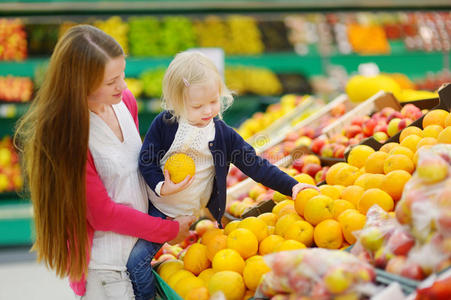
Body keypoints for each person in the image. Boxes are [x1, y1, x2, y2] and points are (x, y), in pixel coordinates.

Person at [14, 24, 194, 300]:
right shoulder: (68, 134)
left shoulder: (125, 103)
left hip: (143, 256)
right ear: (80, 83)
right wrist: (168, 230)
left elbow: (135, 168)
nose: (121, 86)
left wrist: (164, 187)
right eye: (111, 82)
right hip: (107, 272)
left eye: (121, 75)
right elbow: (102, 213)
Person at [136, 51, 319, 296]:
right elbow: (146, 160)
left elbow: (255, 164)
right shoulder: (164, 124)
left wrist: (292, 186)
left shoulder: (223, 135)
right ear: (177, 102)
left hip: (187, 214)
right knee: (133, 262)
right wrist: (162, 186)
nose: (208, 110)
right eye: (198, 106)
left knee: (139, 262)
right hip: (153, 207)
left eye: (213, 101)